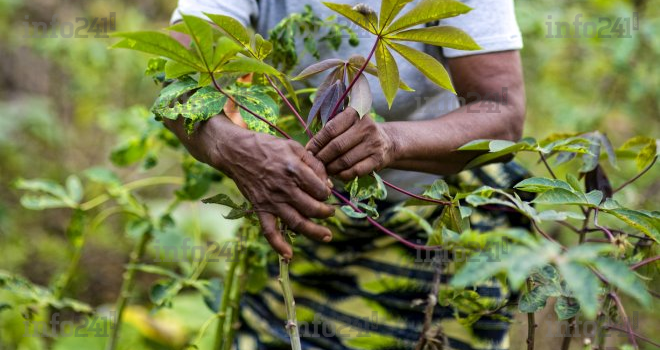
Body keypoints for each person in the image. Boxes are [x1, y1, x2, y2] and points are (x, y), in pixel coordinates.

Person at [164, 1, 528, 349]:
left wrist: (393, 141)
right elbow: (179, 83)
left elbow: (502, 112)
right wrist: (236, 149)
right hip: (293, 213)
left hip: (438, 219)